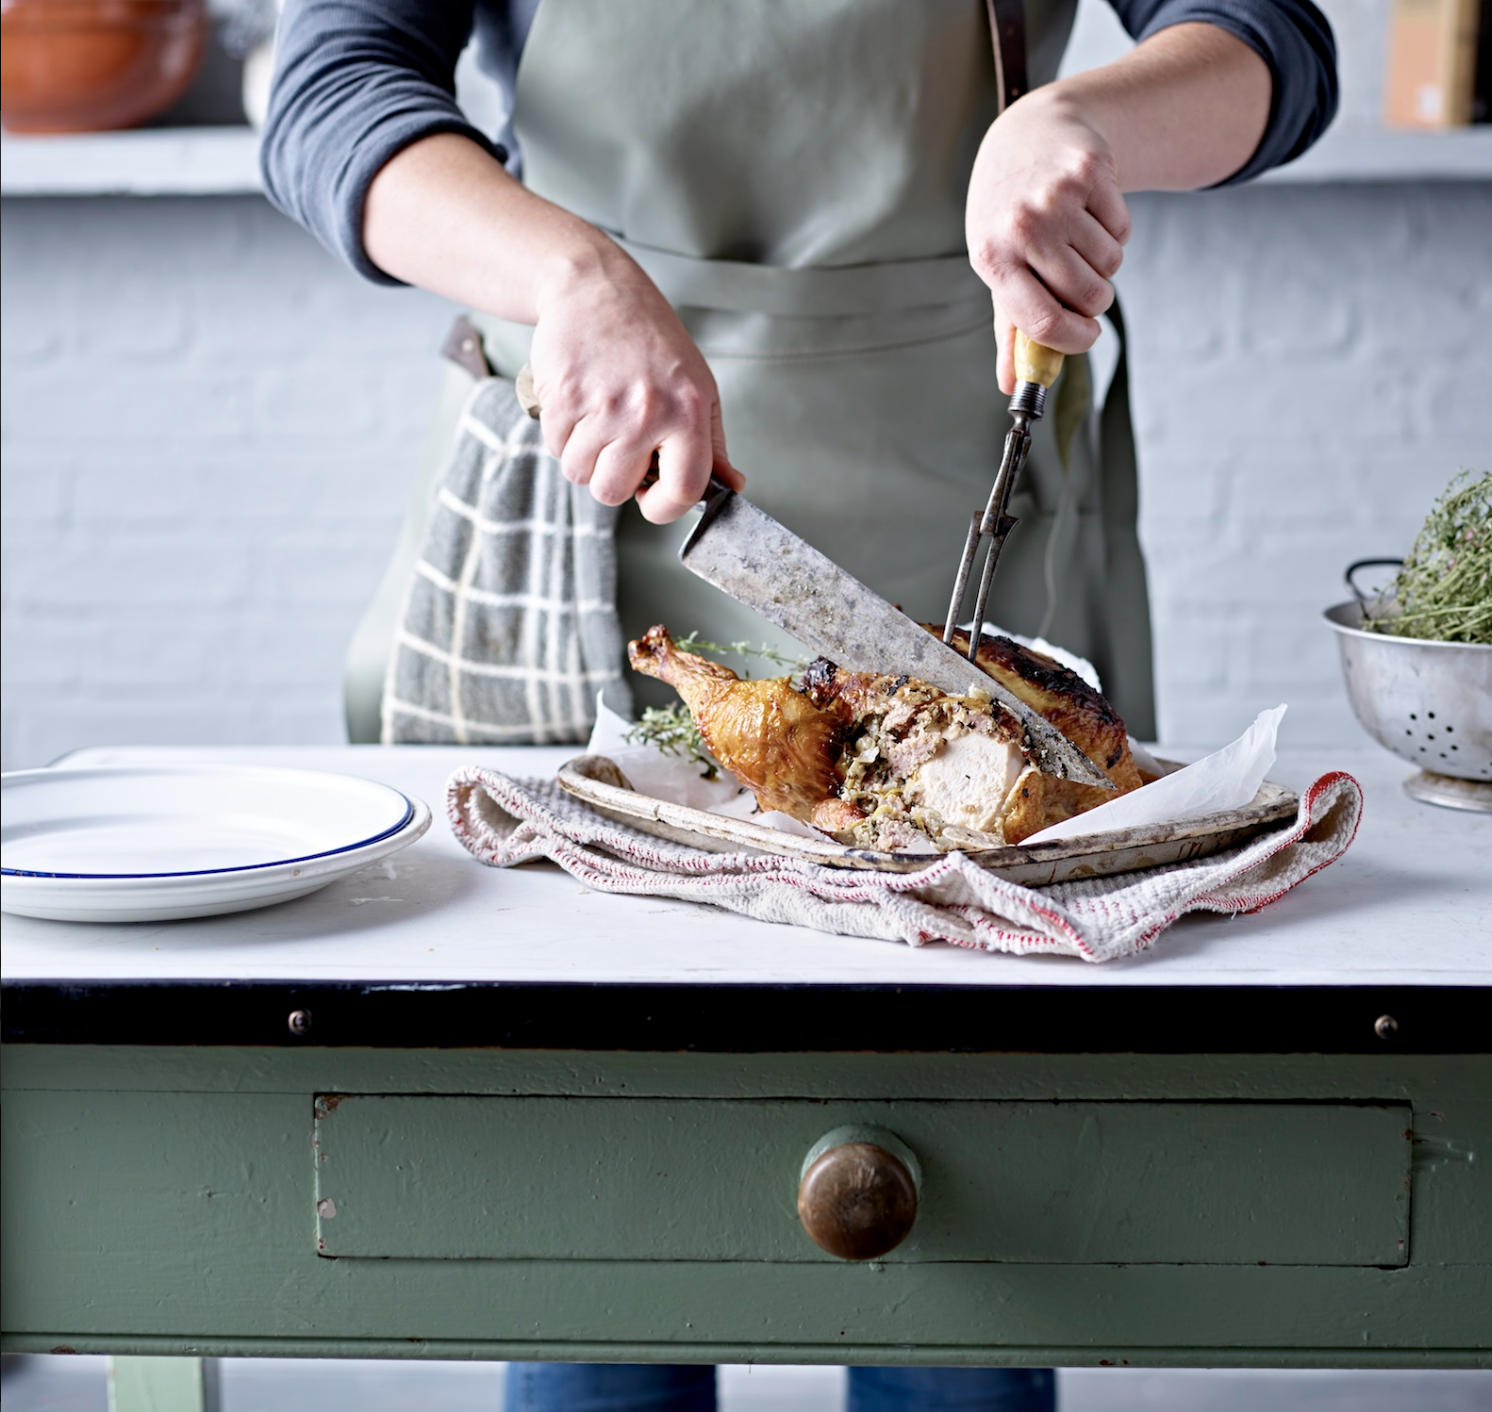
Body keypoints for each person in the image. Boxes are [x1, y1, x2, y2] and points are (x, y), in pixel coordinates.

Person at [262, 1, 1333, 1407]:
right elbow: (325, 90)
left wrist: (1086, 120)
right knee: (602, 1201)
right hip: (607, 489)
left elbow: (1273, 43)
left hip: (963, 512)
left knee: (966, 1232)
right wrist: (566, 268)